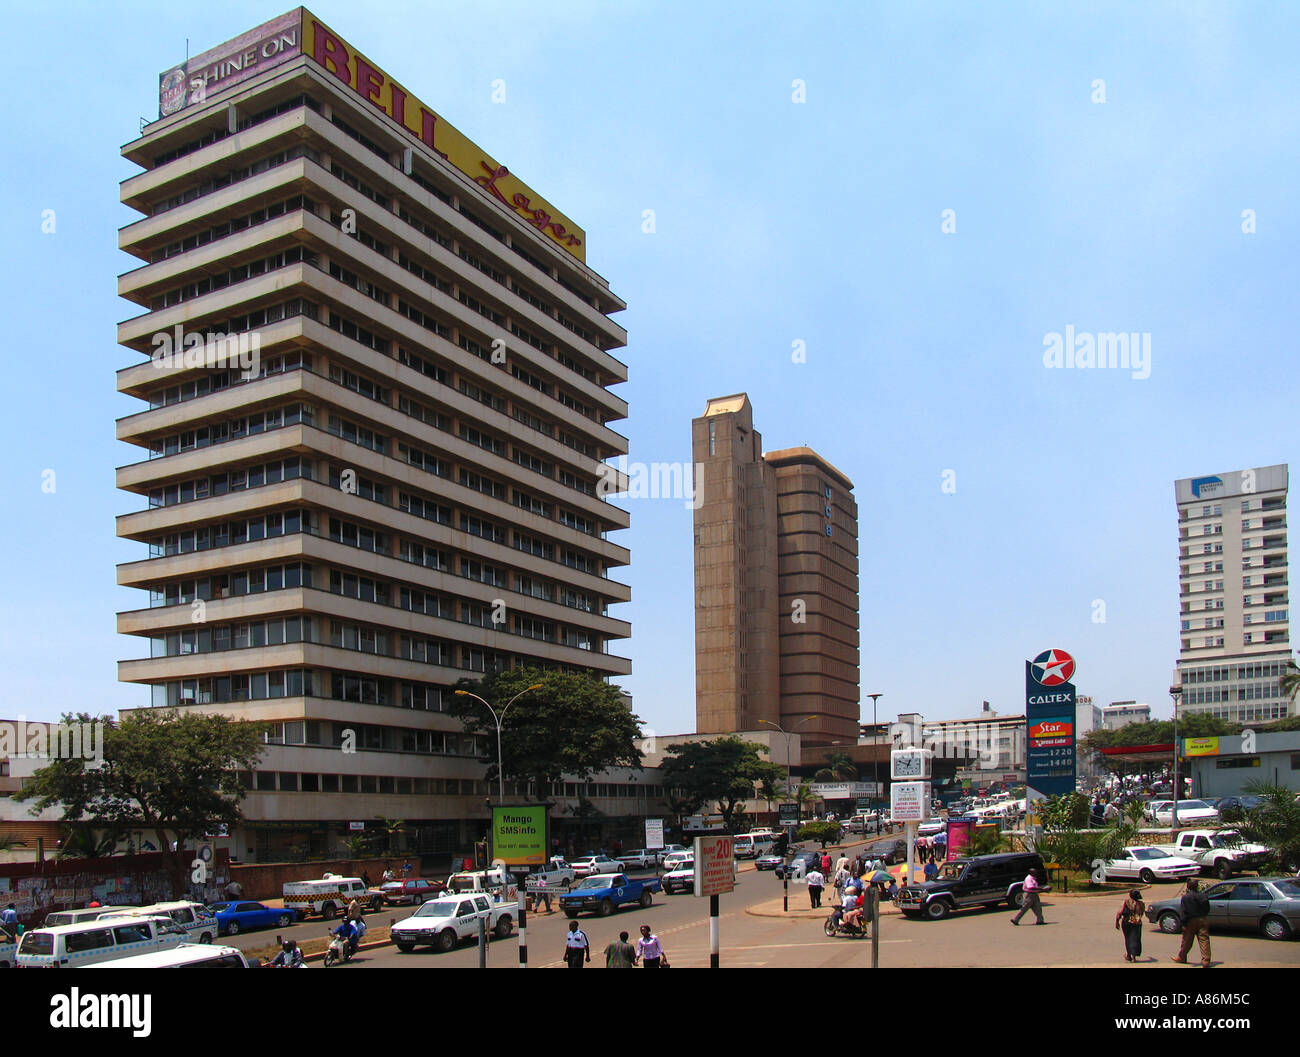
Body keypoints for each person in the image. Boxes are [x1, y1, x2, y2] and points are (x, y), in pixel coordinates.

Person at [1172, 879, 1212, 968]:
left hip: (1190, 921)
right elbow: (1207, 908)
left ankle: (1182, 957)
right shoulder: (1203, 896)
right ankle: (1206, 961)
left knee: (1187, 941)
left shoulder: (1186, 897)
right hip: (1202, 919)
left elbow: (1184, 912)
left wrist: (1183, 923)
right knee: (1204, 940)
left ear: (1188, 887)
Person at [1115, 889, 1145, 962]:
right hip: (1137, 923)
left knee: (1128, 939)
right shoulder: (1141, 904)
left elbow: (1120, 912)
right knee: (1135, 939)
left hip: (1126, 922)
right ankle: (1134, 956)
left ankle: (1129, 955)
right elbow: (1141, 913)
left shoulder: (1126, 902)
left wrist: (1117, 921)